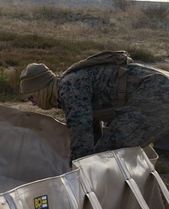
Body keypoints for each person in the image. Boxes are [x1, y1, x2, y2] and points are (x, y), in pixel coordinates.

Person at [20, 54, 169, 162]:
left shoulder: (69, 89)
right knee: (105, 155)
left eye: (32, 97)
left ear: (42, 90)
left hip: (156, 95)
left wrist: (76, 171)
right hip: (157, 91)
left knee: (109, 156)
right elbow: (91, 129)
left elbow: (81, 135)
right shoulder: (68, 86)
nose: (32, 103)